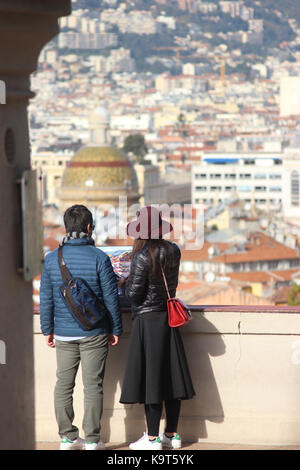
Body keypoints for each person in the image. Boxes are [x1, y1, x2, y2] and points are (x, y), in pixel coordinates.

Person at [40, 204, 122, 450]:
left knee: (63, 384)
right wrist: (115, 329)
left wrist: (47, 329)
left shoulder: (51, 259)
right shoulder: (100, 258)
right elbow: (111, 298)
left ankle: (67, 437)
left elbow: (46, 297)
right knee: (93, 385)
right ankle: (93, 440)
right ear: (89, 228)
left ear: (66, 228)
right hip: (94, 332)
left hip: (63, 333)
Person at [119, 206, 195, 450]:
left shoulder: (142, 257)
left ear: (140, 232)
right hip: (168, 319)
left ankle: (151, 438)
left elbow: (134, 294)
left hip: (147, 321)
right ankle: (171, 435)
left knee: (151, 379)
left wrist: (123, 281)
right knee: (171, 379)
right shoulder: (174, 251)